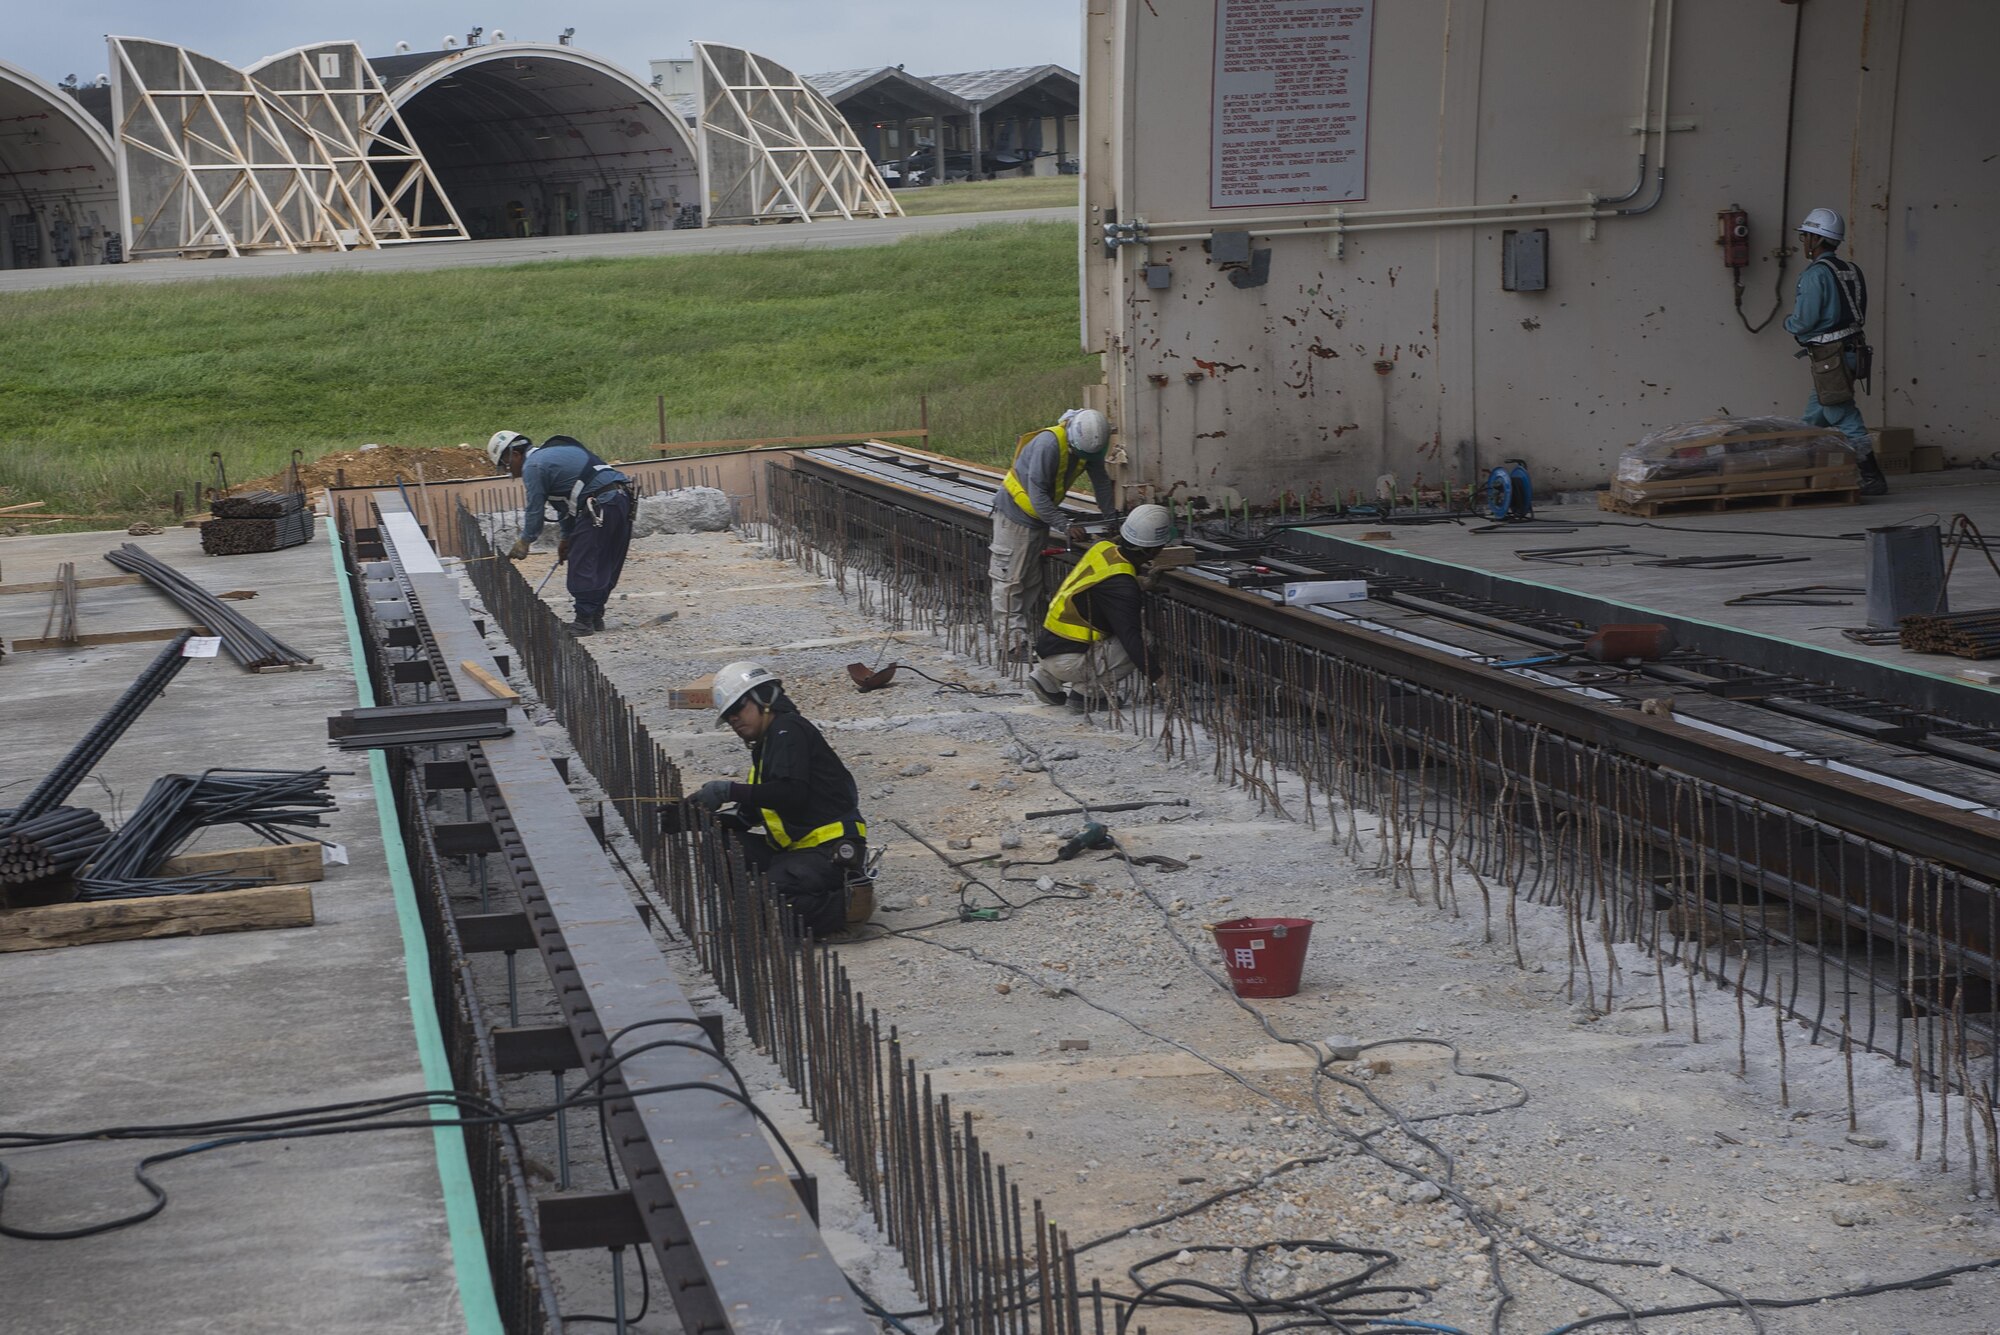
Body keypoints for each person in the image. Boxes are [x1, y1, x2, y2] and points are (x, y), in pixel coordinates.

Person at [689, 660, 867, 938]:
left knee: (770, 897)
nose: (733, 719)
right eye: (728, 716)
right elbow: (750, 815)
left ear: (764, 699)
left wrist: (727, 790)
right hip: (797, 852)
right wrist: (697, 818)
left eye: (738, 708)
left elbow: (791, 793)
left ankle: (847, 906)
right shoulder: (767, 746)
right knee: (718, 844)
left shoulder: (789, 730)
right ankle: (760, 911)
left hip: (829, 851)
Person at [989, 408, 1120, 658]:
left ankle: (1020, 635)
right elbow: (1037, 494)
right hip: (1015, 517)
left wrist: (1110, 519)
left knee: (1031, 582)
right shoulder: (1048, 445)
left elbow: (1101, 482)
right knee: (1010, 581)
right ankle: (1011, 645)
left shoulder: (1087, 445)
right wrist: (1065, 525)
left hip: (1038, 520)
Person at [1026, 504, 1175, 709]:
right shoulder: (1123, 587)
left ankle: (1046, 679)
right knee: (1144, 639)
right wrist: (1161, 680)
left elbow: (1101, 584)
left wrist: (1140, 583)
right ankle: (1087, 694)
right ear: (1153, 549)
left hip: (1048, 648)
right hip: (1069, 660)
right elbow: (1131, 640)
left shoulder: (1103, 548)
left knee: (1101, 640)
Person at [1783, 208, 1886, 497]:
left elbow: (1804, 320)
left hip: (1831, 357)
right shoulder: (1851, 271)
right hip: (1853, 351)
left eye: (1806, 237)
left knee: (1843, 415)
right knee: (1814, 418)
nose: (1804, 242)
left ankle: (1872, 476)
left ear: (1816, 240)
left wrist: (1788, 324)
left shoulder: (1815, 275)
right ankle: (1801, 472)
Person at [492, 431, 636, 634]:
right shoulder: (552, 456)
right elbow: (565, 506)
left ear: (515, 454)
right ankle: (595, 615)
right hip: (621, 499)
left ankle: (584, 621)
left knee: (583, 561)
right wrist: (566, 538)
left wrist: (525, 540)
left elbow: (535, 508)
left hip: (598, 504)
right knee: (605, 559)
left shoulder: (533, 466)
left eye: (506, 465)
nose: (511, 473)